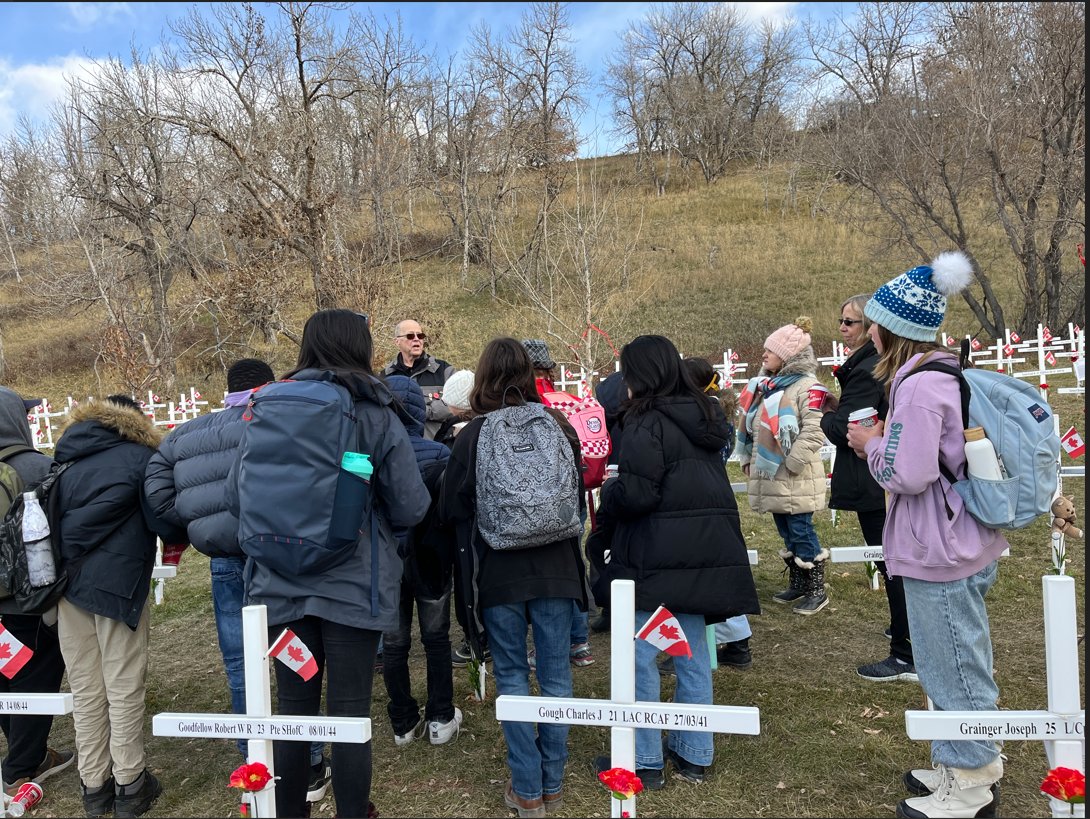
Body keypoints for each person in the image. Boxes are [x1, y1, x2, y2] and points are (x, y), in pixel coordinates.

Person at [229, 309, 430, 819]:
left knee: (293, 715)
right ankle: (352, 812)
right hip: (351, 591)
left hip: (279, 588)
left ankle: (291, 812)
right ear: (360, 346)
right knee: (348, 715)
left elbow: (237, 497)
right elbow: (410, 504)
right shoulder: (373, 411)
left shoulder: (264, 406)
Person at [847, 252, 1004, 818]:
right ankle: (967, 760)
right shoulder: (944, 371)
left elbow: (907, 474)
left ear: (893, 331)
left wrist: (870, 447)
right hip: (963, 533)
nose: (867, 330)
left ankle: (969, 783)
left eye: (873, 322)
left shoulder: (914, 387)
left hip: (936, 542)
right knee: (961, 653)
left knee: (951, 662)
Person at [143, 358, 332, 800]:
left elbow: (155, 490)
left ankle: (255, 762)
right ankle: (307, 764)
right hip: (279, 555)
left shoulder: (187, 434)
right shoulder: (282, 421)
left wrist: (191, 526)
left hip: (223, 555)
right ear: (269, 385)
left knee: (239, 663)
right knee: (294, 655)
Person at [594, 335, 759, 789]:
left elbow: (641, 493)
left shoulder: (646, 422)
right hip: (703, 552)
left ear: (640, 376)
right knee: (690, 655)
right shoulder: (703, 415)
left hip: (658, 555)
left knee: (640, 658)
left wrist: (612, 489)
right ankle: (694, 753)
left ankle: (643, 758)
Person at [439, 337, 589, 819]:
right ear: (530, 374)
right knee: (556, 674)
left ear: (481, 378)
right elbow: (581, 485)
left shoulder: (473, 435)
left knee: (512, 676)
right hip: (558, 569)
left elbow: (452, 508)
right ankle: (553, 779)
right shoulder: (558, 424)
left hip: (499, 571)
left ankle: (527, 789)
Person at [53, 394, 187, 818]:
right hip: (117, 585)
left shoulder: (66, 459)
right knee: (123, 685)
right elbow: (163, 519)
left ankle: (94, 787)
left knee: (86, 689)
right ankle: (130, 784)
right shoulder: (142, 458)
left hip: (66, 586)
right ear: (135, 422)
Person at [820, 296, 916, 682]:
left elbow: (851, 432)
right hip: (880, 477)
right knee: (892, 563)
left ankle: (905, 652)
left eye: (853, 322)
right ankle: (905, 630)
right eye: (841, 320)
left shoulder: (865, 370)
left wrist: (827, 415)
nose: (844, 328)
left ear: (874, 328)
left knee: (891, 564)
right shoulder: (868, 367)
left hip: (873, 479)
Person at [0, 389, 74, 798]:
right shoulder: (39, 467)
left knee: (4, 677)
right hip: (27, 602)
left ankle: (30, 752)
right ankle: (20, 768)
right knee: (34, 678)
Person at [380, 376, 461, 748]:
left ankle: (402, 720)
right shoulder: (440, 455)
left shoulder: (368, 455)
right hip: (431, 558)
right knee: (436, 639)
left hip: (386, 563)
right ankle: (440, 715)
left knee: (394, 645)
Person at [737, 317, 831, 615]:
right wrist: (748, 457)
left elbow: (815, 429)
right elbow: (752, 425)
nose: (764, 355)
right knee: (786, 530)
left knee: (801, 529)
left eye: (770, 350)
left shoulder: (808, 387)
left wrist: (792, 463)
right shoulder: (765, 387)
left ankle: (817, 589)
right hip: (773, 475)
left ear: (789, 357)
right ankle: (799, 582)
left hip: (796, 474)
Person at [522, 338, 594, 670]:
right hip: (574, 493)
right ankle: (579, 642)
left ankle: (543, 646)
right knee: (573, 564)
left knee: (541, 573)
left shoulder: (525, 402)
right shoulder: (568, 400)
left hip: (538, 498)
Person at [681, 357, 752, 671]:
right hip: (716, 497)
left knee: (704, 575)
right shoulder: (718, 411)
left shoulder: (701, 414)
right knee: (719, 572)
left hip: (699, 499)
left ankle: (701, 646)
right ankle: (736, 642)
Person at [382, 319, 456, 440]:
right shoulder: (386, 377)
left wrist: (423, 410)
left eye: (420, 335)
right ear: (397, 341)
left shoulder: (444, 370)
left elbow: (459, 404)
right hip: (401, 449)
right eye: (410, 336)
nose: (416, 339)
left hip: (438, 449)